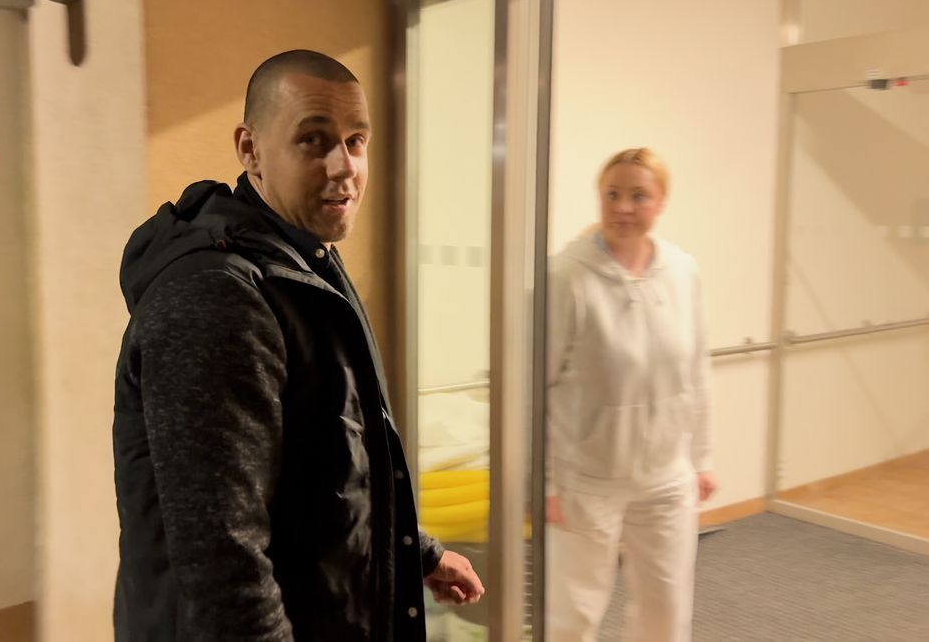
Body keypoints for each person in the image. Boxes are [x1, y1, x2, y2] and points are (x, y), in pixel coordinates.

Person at [112, 49, 484, 642]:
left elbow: (331, 462)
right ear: (250, 149)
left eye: (356, 141)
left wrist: (418, 553)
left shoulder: (303, 265)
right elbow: (224, 560)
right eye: (314, 140)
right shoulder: (217, 297)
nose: (345, 166)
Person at [545, 147, 717, 642]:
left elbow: (697, 369)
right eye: (612, 194)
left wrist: (700, 458)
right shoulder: (566, 276)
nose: (623, 207)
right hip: (586, 479)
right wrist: (545, 482)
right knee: (573, 616)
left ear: (660, 202)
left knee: (666, 611)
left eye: (639, 196)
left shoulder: (682, 271)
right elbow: (537, 386)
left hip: (666, 478)